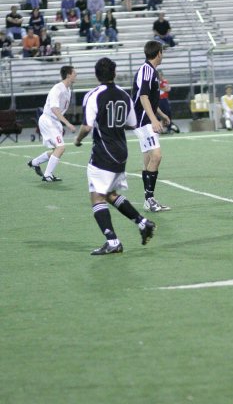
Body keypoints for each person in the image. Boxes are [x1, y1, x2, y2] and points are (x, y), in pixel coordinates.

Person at [74, 57, 155, 255]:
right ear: (115, 73)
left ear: (96, 75)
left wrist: (78, 139)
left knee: (96, 197)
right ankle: (142, 222)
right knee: (109, 194)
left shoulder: (93, 95)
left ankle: (112, 242)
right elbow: (132, 122)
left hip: (103, 151)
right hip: (121, 151)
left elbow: (87, 126)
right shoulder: (124, 95)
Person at [131, 40, 171, 212]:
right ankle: (149, 199)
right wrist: (154, 120)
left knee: (148, 159)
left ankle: (149, 199)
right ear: (159, 53)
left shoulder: (150, 70)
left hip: (143, 120)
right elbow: (144, 97)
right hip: (144, 121)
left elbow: (151, 100)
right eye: (163, 52)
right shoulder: (147, 70)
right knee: (156, 156)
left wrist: (162, 115)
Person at [27, 66, 77, 182]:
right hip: (48, 119)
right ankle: (47, 175)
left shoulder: (67, 89)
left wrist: (60, 123)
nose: (76, 75)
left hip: (54, 121)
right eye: (74, 73)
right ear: (68, 75)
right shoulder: (57, 89)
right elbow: (54, 109)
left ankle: (35, 162)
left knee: (57, 150)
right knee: (61, 148)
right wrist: (67, 123)